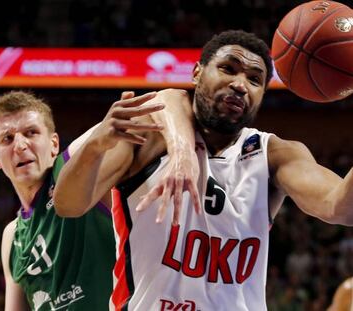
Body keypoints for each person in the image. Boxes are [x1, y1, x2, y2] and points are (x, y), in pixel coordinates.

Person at [53, 29, 353, 310]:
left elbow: (341, 208)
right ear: (197, 72)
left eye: (254, 79)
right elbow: (68, 205)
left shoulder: (275, 154)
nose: (240, 84)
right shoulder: (147, 136)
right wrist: (94, 146)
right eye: (228, 68)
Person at [0, 90, 197, 310]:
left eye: (31, 133)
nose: (20, 145)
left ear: (54, 144)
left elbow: (167, 98)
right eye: (7, 139)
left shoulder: (74, 165)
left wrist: (182, 153)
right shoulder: (12, 236)